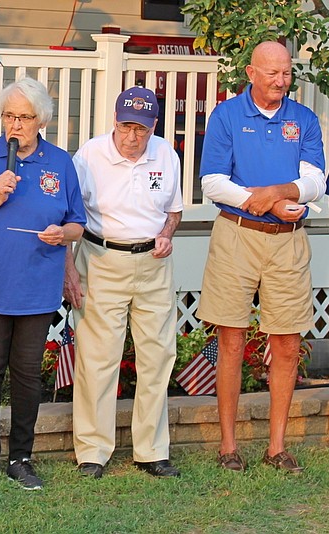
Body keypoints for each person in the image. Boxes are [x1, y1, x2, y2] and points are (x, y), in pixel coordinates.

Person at [197, 41, 326, 474]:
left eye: (287, 73)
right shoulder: (227, 115)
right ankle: (228, 446)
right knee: (231, 340)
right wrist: (268, 201)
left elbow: (314, 182)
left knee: (287, 344)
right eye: (272, 73)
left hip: (288, 241)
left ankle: (276, 447)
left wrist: (278, 194)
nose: (280, 81)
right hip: (236, 236)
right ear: (251, 73)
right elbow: (213, 182)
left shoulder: (303, 119)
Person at [0, 78, 85, 489]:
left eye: (23, 117)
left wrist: (62, 235)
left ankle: (22, 458)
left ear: (40, 120)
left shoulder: (60, 162)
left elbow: (77, 223)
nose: (14, 125)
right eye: (8, 115)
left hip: (37, 285)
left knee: (26, 373)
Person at [64, 87, 183, 479]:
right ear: (114, 121)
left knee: (158, 356)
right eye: (126, 127)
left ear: (153, 127)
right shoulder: (89, 156)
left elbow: (174, 210)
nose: (133, 137)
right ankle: (93, 452)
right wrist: (69, 270)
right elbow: (72, 217)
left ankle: (151, 451)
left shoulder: (165, 153)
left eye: (142, 130)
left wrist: (167, 234)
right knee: (99, 358)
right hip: (100, 259)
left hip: (153, 261)